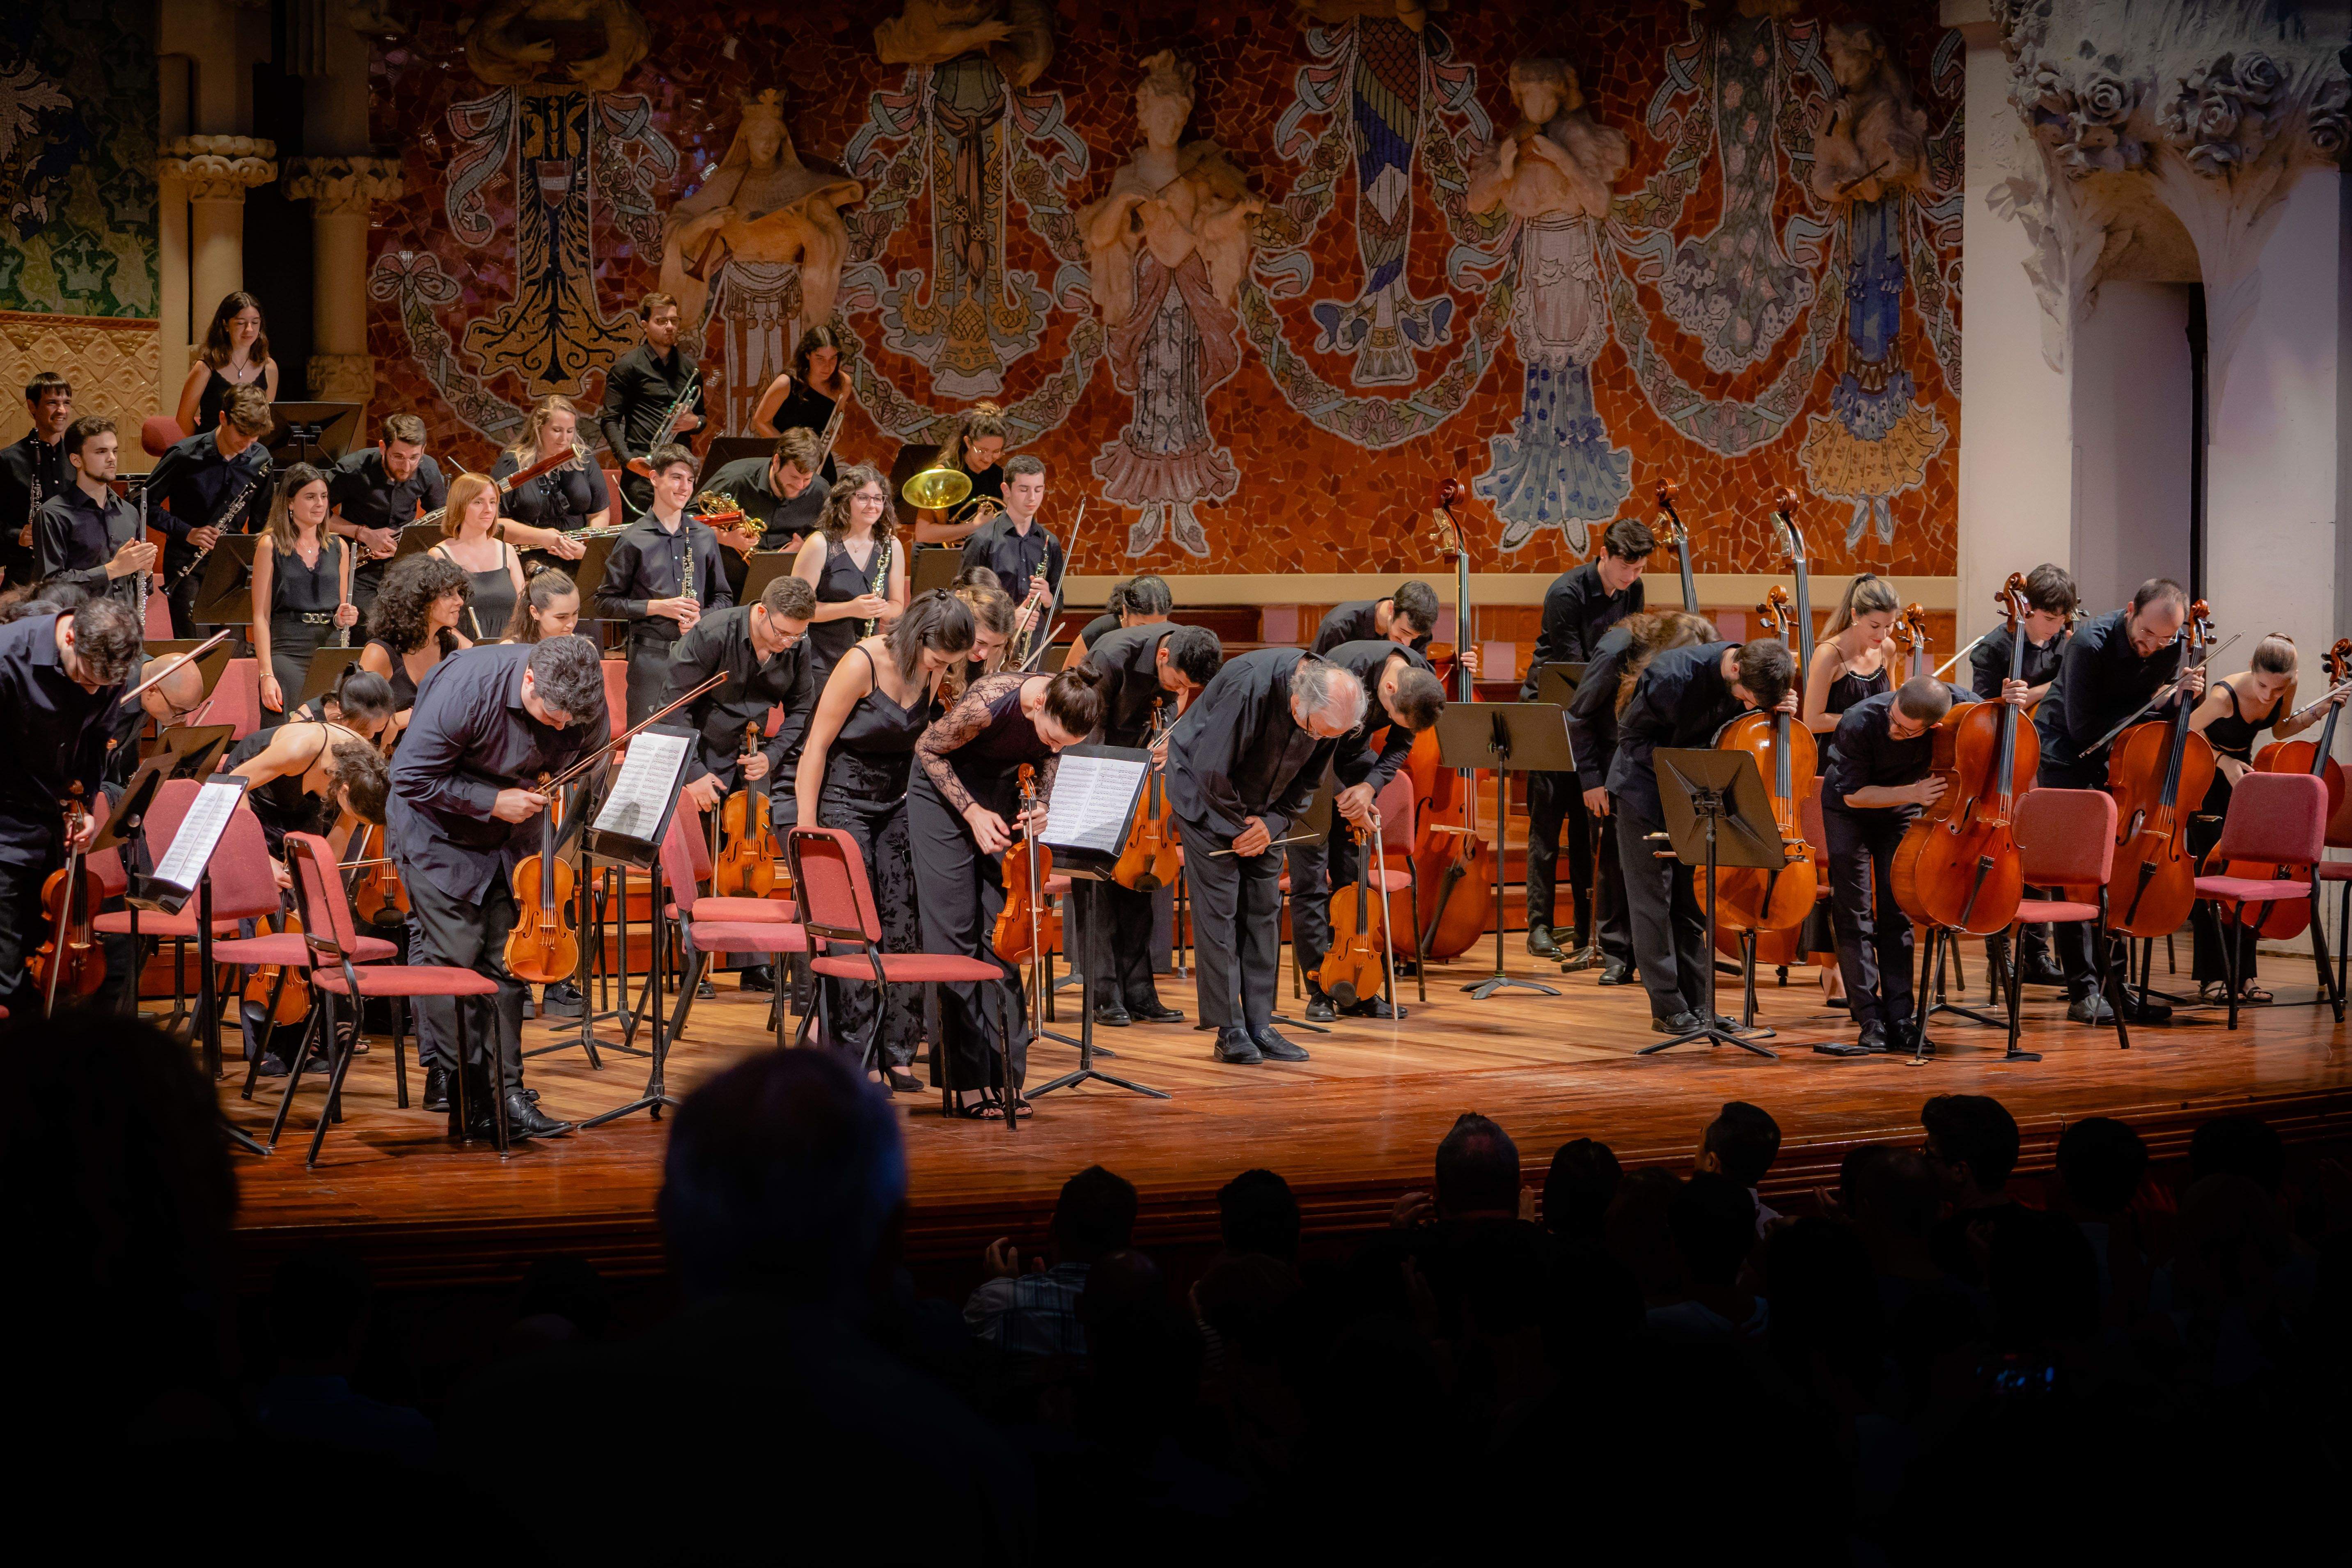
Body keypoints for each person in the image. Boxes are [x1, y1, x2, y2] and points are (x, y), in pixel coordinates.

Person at [387, 635, 608, 1140]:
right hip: (439, 838)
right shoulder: (468, 689)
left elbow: (591, 761)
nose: (559, 727)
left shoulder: (581, 704)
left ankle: (509, 1095)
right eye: (552, 715)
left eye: (568, 722)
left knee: (509, 966)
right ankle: (469, 1101)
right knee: (458, 968)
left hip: (515, 842)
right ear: (529, 679)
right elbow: (409, 777)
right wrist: (490, 800)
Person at [794, 591, 975, 1090]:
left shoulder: (934, 668)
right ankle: (853, 1051)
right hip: (845, 800)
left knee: (903, 919)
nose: (941, 668)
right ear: (918, 637)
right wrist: (808, 829)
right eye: (938, 658)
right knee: (855, 927)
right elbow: (816, 749)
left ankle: (898, 1047)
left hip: (898, 801)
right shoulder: (861, 663)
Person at [910, 666, 1102, 1116]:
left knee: (1005, 936)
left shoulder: (1060, 710)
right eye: (1052, 735)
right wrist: (973, 812)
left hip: (1002, 793)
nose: (1054, 747)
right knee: (956, 935)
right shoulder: (987, 703)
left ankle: (1007, 1077)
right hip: (944, 798)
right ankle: (968, 1082)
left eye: (1064, 743)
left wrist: (1041, 806)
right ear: (1038, 705)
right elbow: (927, 751)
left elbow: (1049, 757)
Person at [1166, 649, 1366, 1064]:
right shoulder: (1248, 686)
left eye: (1330, 734)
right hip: (1206, 800)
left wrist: (1272, 825)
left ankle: (1261, 1023)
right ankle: (1230, 1029)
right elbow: (1210, 771)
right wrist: (1244, 827)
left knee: (1264, 909)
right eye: (1317, 730)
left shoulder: (1327, 715)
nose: (1321, 739)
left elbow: (1312, 779)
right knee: (1220, 912)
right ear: (1297, 702)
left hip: (1265, 810)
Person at [2036, 577, 2207, 1024]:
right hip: (2066, 758)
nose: (2153, 645)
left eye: (2165, 638)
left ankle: (2118, 986)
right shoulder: (2089, 645)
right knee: (2075, 878)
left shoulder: (2169, 648)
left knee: (2117, 877)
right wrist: (2157, 705)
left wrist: (2184, 699)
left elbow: (2155, 712)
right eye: (2147, 634)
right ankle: (2084, 991)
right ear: (2131, 609)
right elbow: (2083, 727)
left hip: (2121, 767)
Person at [1824, 674, 2026, 1052]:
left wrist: (2007, 702)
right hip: (1850, 810)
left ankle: (1902, 1018)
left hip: (1901, 811)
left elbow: (1989, 719)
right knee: (1854, 912)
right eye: (1894, 719)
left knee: (1898, 908)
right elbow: (1853, 796)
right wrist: (1914, 792)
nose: (1893, 729)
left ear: (1934, 726)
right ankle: (1869, 1018)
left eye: (1905, 730)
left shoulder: (1952, 706)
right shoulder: (1860, 720)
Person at [1609, 635, 1799, 1033]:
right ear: (1734, 669)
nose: (1747, 707)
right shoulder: (1671, 675)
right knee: (1652, 905)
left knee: (1691, 905)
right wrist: (1690, 765)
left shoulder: (1754, 675)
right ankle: (1668, 1008)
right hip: (1644, 793)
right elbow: (1631, 740)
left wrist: (1781, 712)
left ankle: (1702, 1008)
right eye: (1747, 699)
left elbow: (1744, 723)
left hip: (1698, 796)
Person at [667, 574, 819, 994]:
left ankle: (753, 964)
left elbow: (803, 709)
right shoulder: (712, 634)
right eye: (782, 632)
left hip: (754, 752)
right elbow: (672, 707)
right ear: (762, 612)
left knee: (748, 858)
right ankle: (691, 966)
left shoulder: (798, 644)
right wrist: (694, 775)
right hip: (701, 749)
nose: (788, 643)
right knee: (700, 862)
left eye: (797, 635)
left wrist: (772, 755)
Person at [2187, 634, 2351, 1005]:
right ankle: (2212, 978)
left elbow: (2280, 730)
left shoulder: (2285, 686)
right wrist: (2222, 761)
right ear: (2251, 668)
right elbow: (2184, 733)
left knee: (2248, 877)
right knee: (2214, 881)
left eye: (2278, 690)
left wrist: (2320, 710)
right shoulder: (2222, 697)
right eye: (2263, 686)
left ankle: (2245, 976)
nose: (2268, 696)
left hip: (2245, 785)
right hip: (2207, 782)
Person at [1075, 619, 1223, 1025]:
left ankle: (1139, 991)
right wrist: (1108, 785)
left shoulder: (1185, 651)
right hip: (1097, 766)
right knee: (1099, 888)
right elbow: (1085, 724)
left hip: (1142, 777)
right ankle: (1104, 993)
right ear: (1162, 657)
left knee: (1140, 883)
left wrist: (1170, 736)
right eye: (1178, 680)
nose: (1182, 692)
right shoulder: (1110, 657)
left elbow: (1174, 705)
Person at [1291, 639, 1447, 1022]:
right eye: (1393, 717)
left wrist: (1370, 786)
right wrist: (1345, 796)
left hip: (1358, 768)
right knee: (1311, 882)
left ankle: (1359, 987)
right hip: (1310, 762)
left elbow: (1399, 744)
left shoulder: (1417, 680)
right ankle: (1320, 989)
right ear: (1388, 690)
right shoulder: (1344, 670)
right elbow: (1311, 744)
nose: (1394, 724)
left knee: (1356, 882)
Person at [0, 597, 141, 1016]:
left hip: (49, 828)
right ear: (71, 636)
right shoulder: (8, 657)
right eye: (85, 678)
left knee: (39, 972)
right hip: (4, 823)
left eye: (103, 686)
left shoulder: (109, 669)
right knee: (3, 971)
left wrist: (87, 804)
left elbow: (98, 741)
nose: (92, 692)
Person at [1522, 516, 1652, 961]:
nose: (1631, 578)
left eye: (1638, 570)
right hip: (1555, 708)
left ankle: (1584, 926)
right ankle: (1538, 926)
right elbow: (1575, 669)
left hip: (1597, 713)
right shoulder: (1566, 593)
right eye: (1625, 568)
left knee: (1587, 825)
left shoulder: (1633, 591)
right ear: (1604, 555)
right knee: (1547, 822)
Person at [1566, 610, 1714, 987]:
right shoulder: (1619, 648)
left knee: (1651, 876)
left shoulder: (1683, 668)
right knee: (1616, 865)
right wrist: (1590, 779)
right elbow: (1579, 716)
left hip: (1650, 760)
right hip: (1610, 760)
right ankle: (1616, 953)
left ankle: (1665, 963)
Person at [1973, 562, 2078, 990]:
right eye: (2051, 618)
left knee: (2042, 855)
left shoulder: (2067, 646)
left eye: (2063, 619)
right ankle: (1998, 948)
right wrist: (2008, 697)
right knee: (2002, 852)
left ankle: (2036, 951)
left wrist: (2036, 692)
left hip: (2050, 761)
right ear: (2026, 609)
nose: (2058, 627)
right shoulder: (1994, 649)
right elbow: (1979, 711)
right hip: (2004, 764)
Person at [1800, 573, 1904, 1004]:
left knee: (1881, 887)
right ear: (1856, 615)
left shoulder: (1889, 649)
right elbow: (1812, 719)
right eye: (1875, 626)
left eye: (1890, 626)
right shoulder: (1829, 654)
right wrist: (1863, 719)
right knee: (1838, 879)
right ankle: (1832, 969)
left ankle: (1869, 974)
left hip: (1879, 772)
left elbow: (1895, 702)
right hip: (1836, 771)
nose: (1883, 635)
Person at [594, 443, 732, 724]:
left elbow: (724, 599)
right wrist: (657, 607)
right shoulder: (634, 539)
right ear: (655, 478)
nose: (685, 487)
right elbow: (604, 604)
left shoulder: (704, 536)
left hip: (698, 655)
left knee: (695, 748)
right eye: (677, 477)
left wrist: (700, 617)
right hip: (651, 660)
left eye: (690, 480)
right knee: (648, 749)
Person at [966, 1164, 1139, 1358]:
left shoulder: (995, 1305)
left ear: (1051, 1229)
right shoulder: (1146, 1318)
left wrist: (1001, 1288)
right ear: (1131, 1242)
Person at [147, 382, 271, 636]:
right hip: (185, 562)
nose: (247, 445)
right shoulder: (184, 455)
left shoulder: (262, 459)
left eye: (254, 438)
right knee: (195, 649)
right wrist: (187, 532)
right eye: (242, 435)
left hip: (231, 567)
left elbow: (263, 521)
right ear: (223, 418)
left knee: (233, 650)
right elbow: (144, 505)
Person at [249, 464, 359, 714]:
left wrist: (346, 617)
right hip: (288, 650)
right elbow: (260, 617)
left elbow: (340, 612)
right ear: (289, 503)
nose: (320, 504)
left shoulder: (339, 546)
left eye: (323, 497)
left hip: (328, 649)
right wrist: (266, 674)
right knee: (289, 732)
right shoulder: (270, 545)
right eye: (310, 497)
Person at [791, 461, 904, 685]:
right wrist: (851, 609)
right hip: (819, 660)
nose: (872, 505)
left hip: (867, 658)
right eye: (863, 497)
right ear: (845, 501)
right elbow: (796, 608)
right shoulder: (820, 544)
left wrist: (881, 609)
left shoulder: (892, 546)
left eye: (878, 498)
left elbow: (897, 607)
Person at [35, 415, 154, 625]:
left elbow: (139, 588)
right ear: (76, 460)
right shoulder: (53, 514)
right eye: (101, 452)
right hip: (80, 631)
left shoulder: (129, 513)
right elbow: (50, 587)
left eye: (114, 451)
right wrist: (113, 570)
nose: (112, 459)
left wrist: (145, 572)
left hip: (124, 629)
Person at [325, 414, 448, 615]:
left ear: (423, 450)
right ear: (383, 448)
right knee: (364, 627)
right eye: (398, 457)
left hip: (405, 565)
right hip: (358, 567)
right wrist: (363, 534)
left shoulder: (429, 469)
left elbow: (440, 522)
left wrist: (405, 547)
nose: (407, 467)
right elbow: (316, 514)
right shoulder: (352, 470)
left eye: (414, 457)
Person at [600, 293, 706, 520]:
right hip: (643, 474)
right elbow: (610, 420)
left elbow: (702, 417)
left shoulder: (690, 369)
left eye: (674, 321)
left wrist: (694, 422)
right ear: (645, 325)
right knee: (640, 543)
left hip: (681, 473)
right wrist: (627, 460)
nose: (670, 327)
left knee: (680, 540)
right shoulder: (627, 367)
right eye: (661, 321)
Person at [702, 426, 828, 606]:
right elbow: (686, 521)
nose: (800, 486)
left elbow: (831, 537)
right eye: (794, 477)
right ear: (776, 461)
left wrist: (808, 548)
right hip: (723, 585)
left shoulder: (820, 492)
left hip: (779, 590)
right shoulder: (736, 478)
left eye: (807, 479)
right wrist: (726, 538)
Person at [957, 454, 1064, 658]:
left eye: (1038, 490)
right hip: (990, 647)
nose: (1032, 498)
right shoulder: (982, 539)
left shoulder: (1051, 543)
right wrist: (1008, 618)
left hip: (1035, 645)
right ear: (1006, 490)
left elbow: (1058, 606)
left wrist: (1049, 598)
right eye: (1024, 490)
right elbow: (963, 600)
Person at [359, 553, 473, 734]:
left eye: (459, 593)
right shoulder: (380, 653)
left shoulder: (450, 644)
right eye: (448, 594)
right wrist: (399, 719)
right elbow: (358, 721)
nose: (460, 601)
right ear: (420, 600)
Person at [490, 396, 610, 560]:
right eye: (557, 430)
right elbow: (495, 522)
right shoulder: (513, 462)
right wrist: (540, 537)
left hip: (577, 555)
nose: (565, 439)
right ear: (539, 428)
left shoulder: (584, 459)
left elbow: (599, 513)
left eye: (570, 431)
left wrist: (587, 548)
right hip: (527, 556)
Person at [428, 473, 526, 647]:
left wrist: (510, 643)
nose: (488, 509)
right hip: (462, 654)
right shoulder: (439, 555)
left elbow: (522, 610)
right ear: (460, 506)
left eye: (493, 502)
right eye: (478, 502)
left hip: (508, 650)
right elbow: (439, 620)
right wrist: (476, 652)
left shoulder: (507, 551)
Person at [747, 323, 851, 482]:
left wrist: (835, 437)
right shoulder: (786, 383)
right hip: (788, 463)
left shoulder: (843, 383)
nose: (828, 366)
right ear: (808, 355)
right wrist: (793, 453)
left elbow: (838, 422)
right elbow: (760, 421)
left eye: (833, 359)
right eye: (820, 359)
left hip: (821, 464)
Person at [1, 370, 74, 589]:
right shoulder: (8, 461)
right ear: (32, 407)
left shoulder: (78, 458)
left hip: (72, 575)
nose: (62, 411)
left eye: (67, 403)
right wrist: (18, 536)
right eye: (52, 402)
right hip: (24, 576)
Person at [176, 291, 279, 436]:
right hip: (212, 453)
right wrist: (205, 448)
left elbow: (265, 421)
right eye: (241, 323)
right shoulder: (205, 368)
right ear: (225, 325)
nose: (249, 329)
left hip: (251, 453)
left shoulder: (269, 368)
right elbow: (183, 419)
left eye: (255, 322)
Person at [909, 403, 1007, 545]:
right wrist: (974, 527)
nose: (988, 459)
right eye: (982, 451)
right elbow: (924, 534)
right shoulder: (942, 474)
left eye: (996, 452)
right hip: (939, 555)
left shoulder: (1000, 476)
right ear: (968, 442)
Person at [1312, 581, 1444, 660]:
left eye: (1414, 637)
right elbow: (1313, 676)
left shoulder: (1419, 633)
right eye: (1404, 631)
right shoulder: (1338, 625)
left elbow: (1418, 682)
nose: (1407, 643)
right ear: (1391, 609)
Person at [1067, 573, 1172, 668]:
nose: (1152, 636)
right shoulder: (1099, 630)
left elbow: (1180, 686)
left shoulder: (1173, 638)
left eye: (1160, 627)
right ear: (1126, 611)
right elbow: (1068, 682)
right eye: (1142, 626)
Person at [500, 568, 581, 644]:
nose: (571, 625)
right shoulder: (510, 649)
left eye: (575, 613)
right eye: (562, 617)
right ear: (535, 612)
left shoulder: (582, 647)